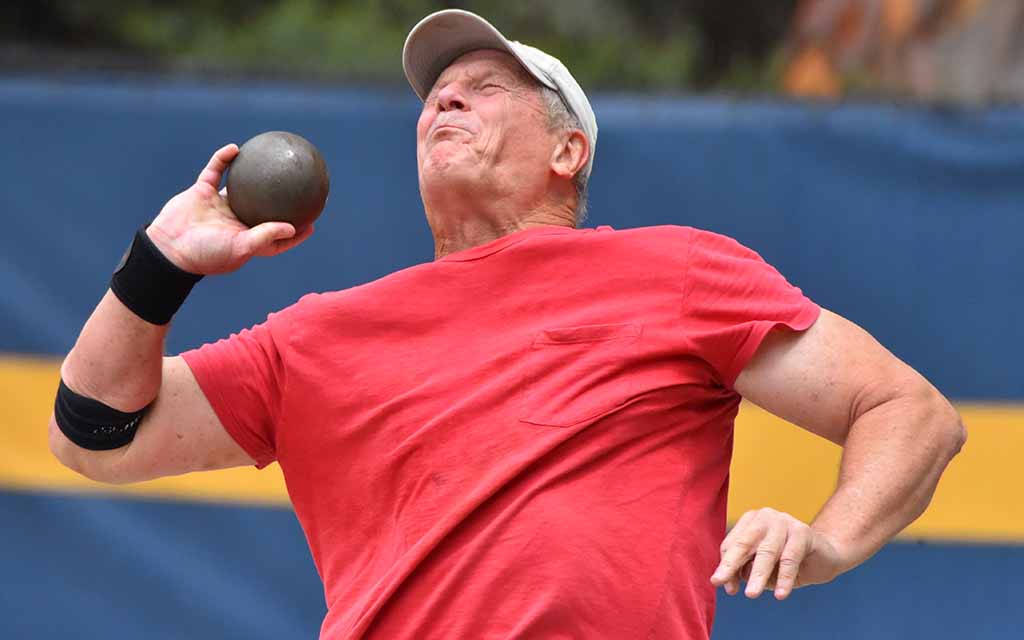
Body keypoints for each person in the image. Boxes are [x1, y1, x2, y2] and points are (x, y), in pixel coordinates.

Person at [49, 9, 965, 640]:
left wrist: (830, 543)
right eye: (435, 96)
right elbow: (94, 436)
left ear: (569, 150)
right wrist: (161, 264)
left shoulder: (675, 271)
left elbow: (908, 410)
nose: (444, 100)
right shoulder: (319, 337)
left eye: (485, 87)